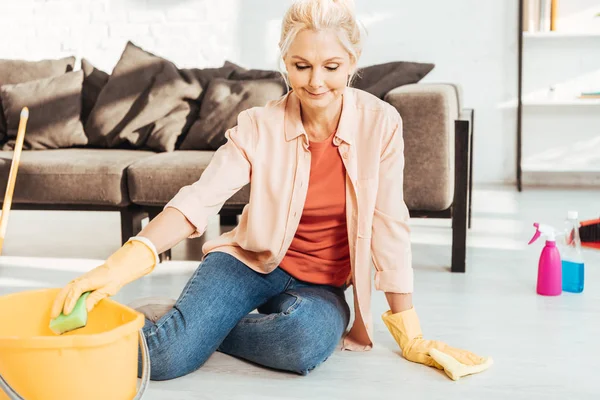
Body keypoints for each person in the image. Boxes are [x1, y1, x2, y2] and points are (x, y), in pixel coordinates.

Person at [51, 0, 492, 381]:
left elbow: (389, 223)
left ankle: (190, 323)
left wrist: (407, 327)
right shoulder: (258, 126)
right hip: (248, 262)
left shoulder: (381, 124)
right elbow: (200, 198)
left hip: (320, 283)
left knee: (302, 343)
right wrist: (117, 267)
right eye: (301, 67)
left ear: (353, 62)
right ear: (285, 63)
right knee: (164, 358)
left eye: (331, 67)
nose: (315, 82)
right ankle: (187, 329)